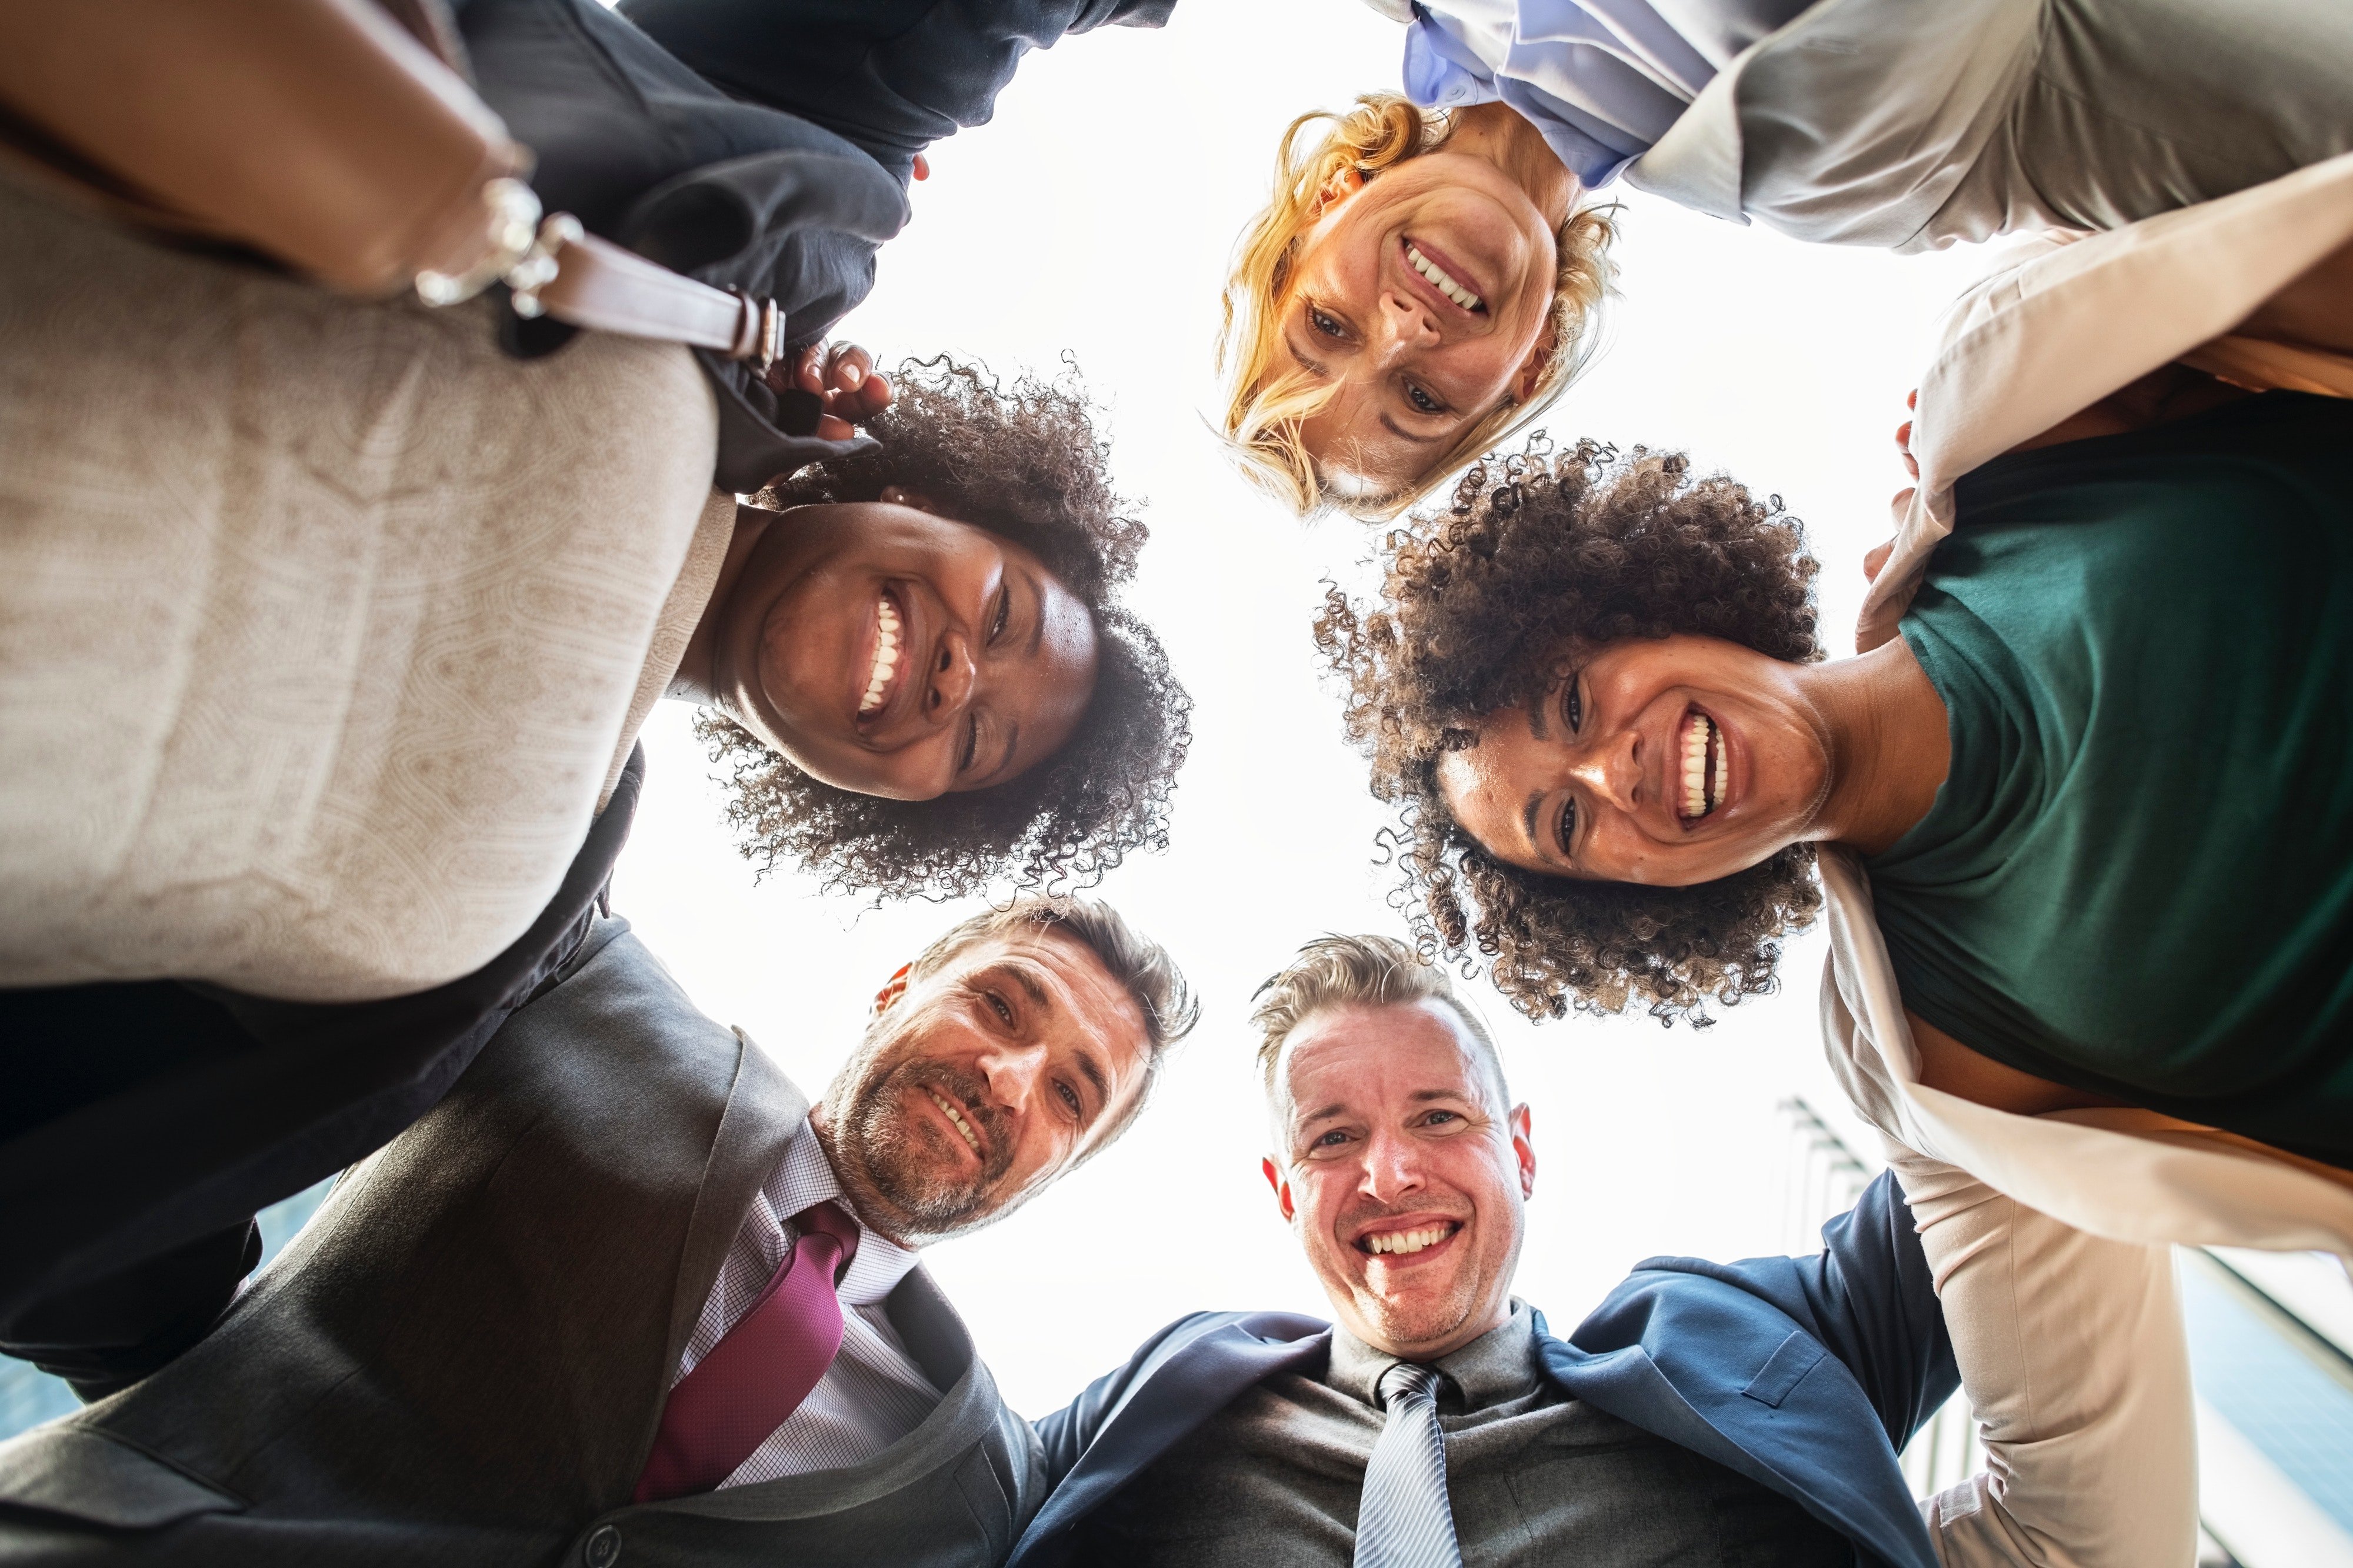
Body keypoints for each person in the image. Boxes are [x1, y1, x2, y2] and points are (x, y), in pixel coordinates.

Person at [1317, 154, 2353, 1259]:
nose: (1607, 773)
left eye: (1574, 702)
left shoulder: (2024, 436)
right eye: (1565, 826)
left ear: (1646, 603)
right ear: (1631, 900)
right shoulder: (1951, 1051)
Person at [0, 896, 1198, 1566]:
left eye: (1071, 1093)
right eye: (998, 1002)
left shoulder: (978, 1484)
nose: (1009, 1075)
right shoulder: (588, 986)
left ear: (1063, 1166)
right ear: (898, 985)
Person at [1011, 935, 2191, 1567]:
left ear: (1519, 1148)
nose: (1388, 1175)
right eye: (1333, 1137)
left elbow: (1987, 1101)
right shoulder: (1162, 1406)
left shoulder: (1741, 1352)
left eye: (1437, 1116)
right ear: (1283, 1189)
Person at [1228, 0, 2353, 519]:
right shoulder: (1897, 187)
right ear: (1523, 370)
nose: (1404, 333)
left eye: (1326, 328)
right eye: (1419, 397)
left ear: (1329, 198)